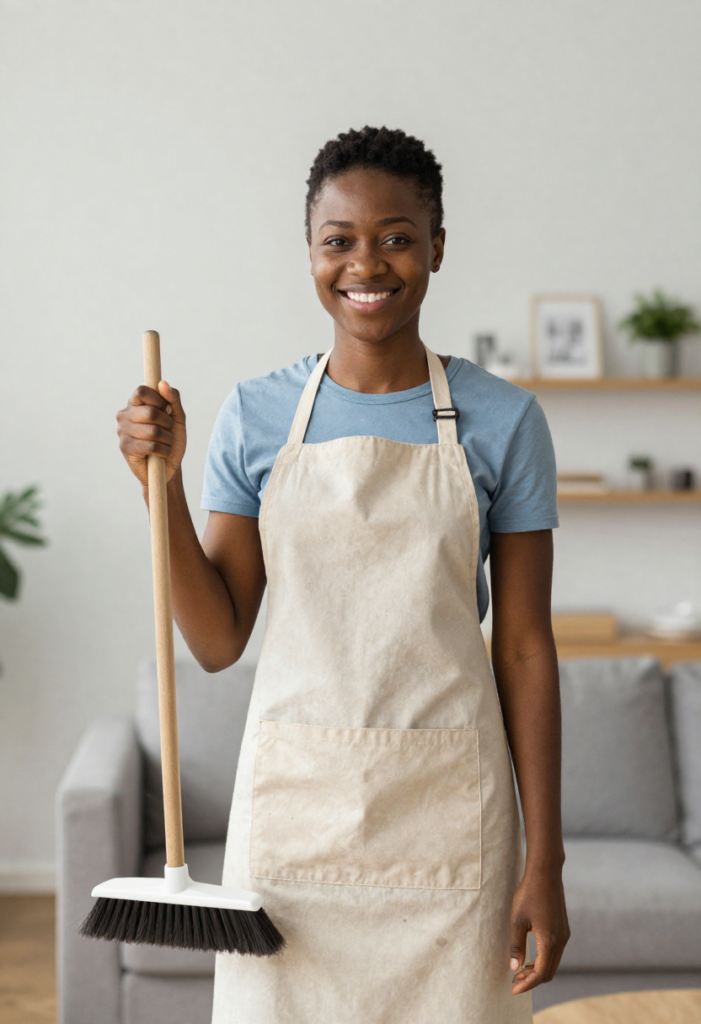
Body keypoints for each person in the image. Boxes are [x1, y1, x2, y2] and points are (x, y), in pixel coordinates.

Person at [117, 125, 570, 1023]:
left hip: (450, 822)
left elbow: (522, 648)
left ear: (436, 246)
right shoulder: (255, 415)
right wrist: (157, 490)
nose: (367, 263)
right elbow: (215, 641)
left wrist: (545, 862)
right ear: (311, 252)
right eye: (340, 240)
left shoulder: (502, 421)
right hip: (294, 825)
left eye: (397, 236)